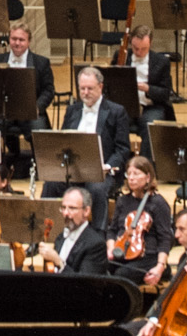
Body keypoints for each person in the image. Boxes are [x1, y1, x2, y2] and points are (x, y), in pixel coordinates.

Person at [43, 66, 132, 227]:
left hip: (101, 171)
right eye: (82, 88)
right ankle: (44, 232)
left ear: (100, 87)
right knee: (51, 183)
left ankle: (99, 234)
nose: (85, 92)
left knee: (96, 188)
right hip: (73, 169)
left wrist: (108, 166)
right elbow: (62, 142)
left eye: (90, 88)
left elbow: (122, 148)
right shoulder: (72, 110)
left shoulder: (117, 111)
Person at [104, 155, 174, 285]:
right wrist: (111, 248)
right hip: (122, 253)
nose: (131, 178)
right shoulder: (122, 201)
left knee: (121, 276)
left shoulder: (158, 203)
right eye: (128, 174)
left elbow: (165, 238)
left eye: (136, 174)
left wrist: (160, 266)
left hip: (148, 257)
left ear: (148, 177)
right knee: (100, 267)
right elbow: (112, 231)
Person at [0, 23, 56, 176]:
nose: (17, 43)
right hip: (6, 112)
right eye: (13, 39)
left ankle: (45, 171)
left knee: (39, 129)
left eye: (21, 40)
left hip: (31, 112)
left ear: (29, 41)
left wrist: (37, 107)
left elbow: (48, 91)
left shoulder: (41, 62)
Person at [120, 26, 176, 160]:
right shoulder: (122, 56)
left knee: (149, 126)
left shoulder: (161, 62)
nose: (138, 52)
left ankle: (145, 167)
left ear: (150, 43)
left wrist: (147, 88)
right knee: (115, 123)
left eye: (143, 49)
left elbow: (165, 93)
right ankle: (120, 163)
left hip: (151, 106)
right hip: (127, 106)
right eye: (135, 48)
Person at [29, 185, 107, 274]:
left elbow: (85, 283)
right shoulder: (60, 237)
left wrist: (58, 261)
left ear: (86, 211)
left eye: (72, 208)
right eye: (63, 208)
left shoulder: (96, 244)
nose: (66, 213)